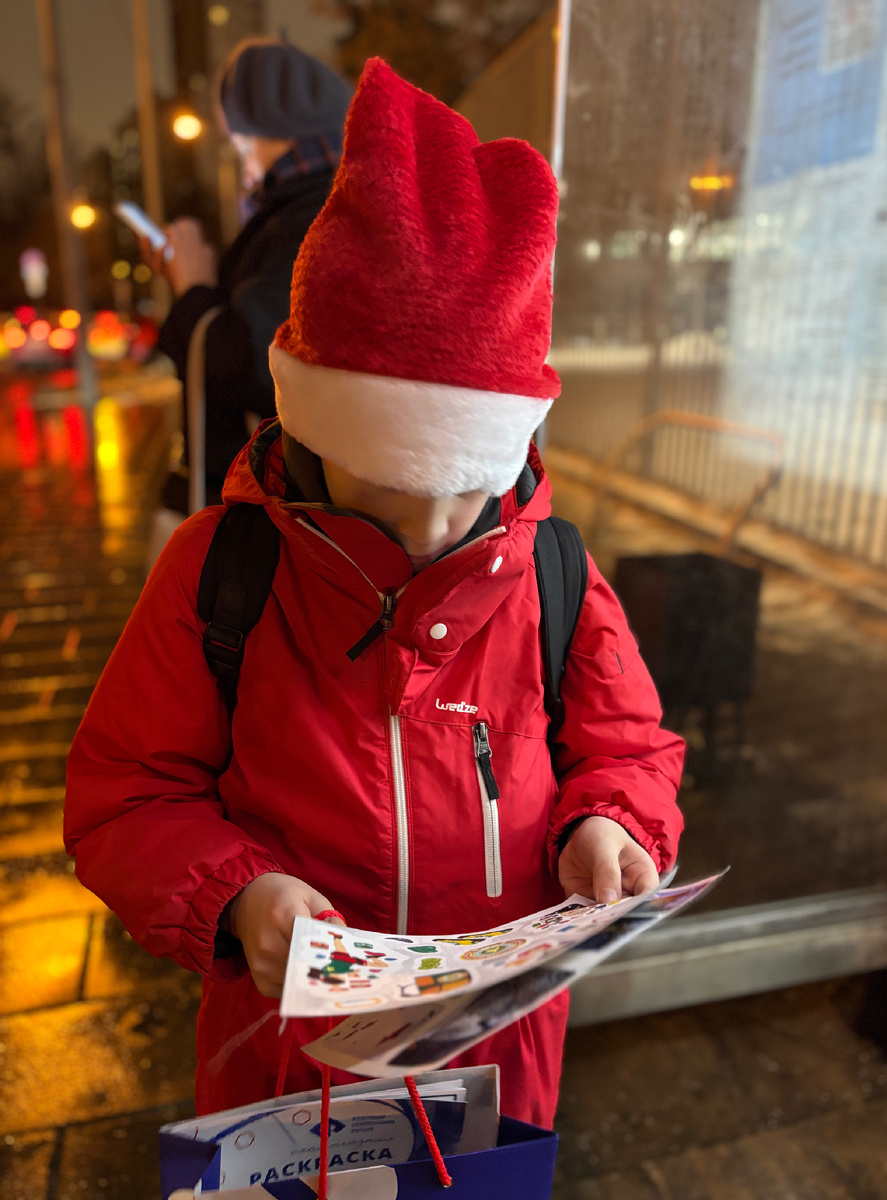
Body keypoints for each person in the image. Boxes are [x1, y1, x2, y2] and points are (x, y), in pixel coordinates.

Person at [64, 59, 684, 1131]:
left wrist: (610, 823)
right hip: (287, 1077)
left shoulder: (555, 575)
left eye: (462, 490)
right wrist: (236, 894)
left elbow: (627, 749)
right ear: (309, 434)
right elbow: (123, 791)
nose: (431, 532)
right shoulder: (224, 572)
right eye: (386, 490)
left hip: (496, 1064)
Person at [150, 36, 352, 504]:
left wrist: (193, 287)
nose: (244, 170)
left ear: (282, 131)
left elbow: (260, 364)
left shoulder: (309, 216)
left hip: (272, 507)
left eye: (243, 146)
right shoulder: (315, 207)